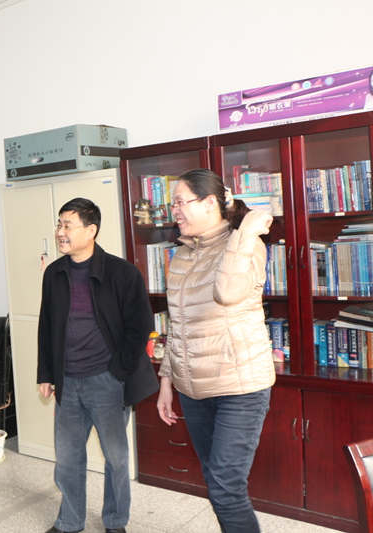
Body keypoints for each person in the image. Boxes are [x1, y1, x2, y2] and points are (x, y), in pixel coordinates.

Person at [156, 169, 275, 533]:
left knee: (225, 488)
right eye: (173, 203)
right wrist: (166, 380)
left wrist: (246, 233)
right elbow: (178, 325)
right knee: (215, 482)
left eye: (181, 201)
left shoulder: (246, 246)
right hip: (193, 390)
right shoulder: (182, 254)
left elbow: (228, 292)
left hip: (239, 386)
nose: (175, 210)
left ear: (209, 203)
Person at [38, 198, 158, 533]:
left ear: (91, 230)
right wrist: (46, 373)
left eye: (68, 225)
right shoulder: (54, 274)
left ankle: (115, 521)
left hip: (107, 380)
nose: (60, 232)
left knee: (116, 459)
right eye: (59, 224)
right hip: (67, 381)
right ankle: (69, 522)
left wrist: (117, 372)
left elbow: (140, 326)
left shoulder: (122, 273)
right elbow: (47, 326)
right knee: (67, 459)